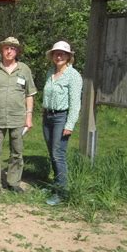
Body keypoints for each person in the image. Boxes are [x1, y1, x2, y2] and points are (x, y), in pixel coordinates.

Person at [0, 36, 37, 198]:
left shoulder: (24, 69)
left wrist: (29, 117)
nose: (9, 51)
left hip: (18, 118)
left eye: (12, 48)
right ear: (1, 50)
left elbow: (29, 95)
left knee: (17, 153)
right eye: (6, 48)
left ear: (17, 51)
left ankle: (13, 183)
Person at [42, 41, 83, 206]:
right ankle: (56, 184)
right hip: (47, 117)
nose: (59, 56)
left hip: (61, 118)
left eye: (62, 54)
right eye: (56, 53)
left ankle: (62, 192)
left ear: (68, 57)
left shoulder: (73, 76)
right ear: (52, 56)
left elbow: (75, 103)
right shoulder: (50, 72)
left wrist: (69, 124)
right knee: (52, 152)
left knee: (58, 153)